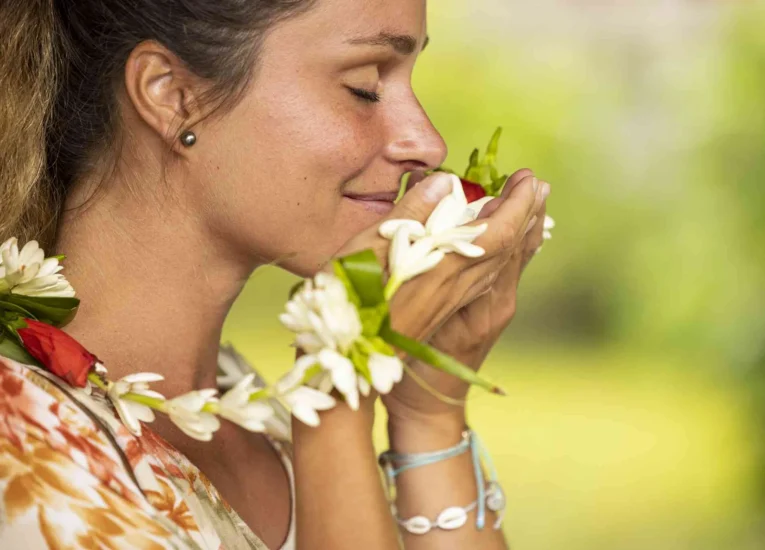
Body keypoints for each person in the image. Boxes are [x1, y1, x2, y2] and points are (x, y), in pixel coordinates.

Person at [0, 0, 549, 548]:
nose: (428, 144)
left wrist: (429, 413)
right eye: (364, 86)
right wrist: (335, 402)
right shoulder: (21, 447)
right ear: (171, 95)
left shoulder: (254, 408)